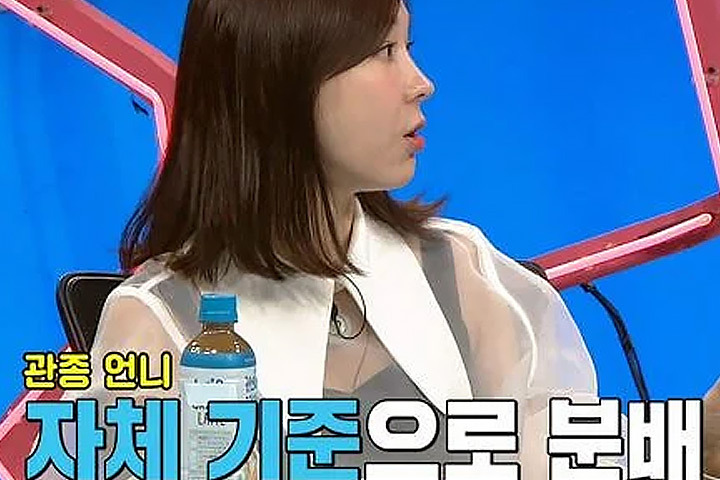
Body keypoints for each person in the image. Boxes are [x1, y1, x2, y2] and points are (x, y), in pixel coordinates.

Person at [61, 0, 720, 478]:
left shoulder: (463, 270)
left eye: (408, 47)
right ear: (281, 81)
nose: (420, 82)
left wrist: (699, 445)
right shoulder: (158, 325)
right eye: (385, 52)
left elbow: (555, 456)